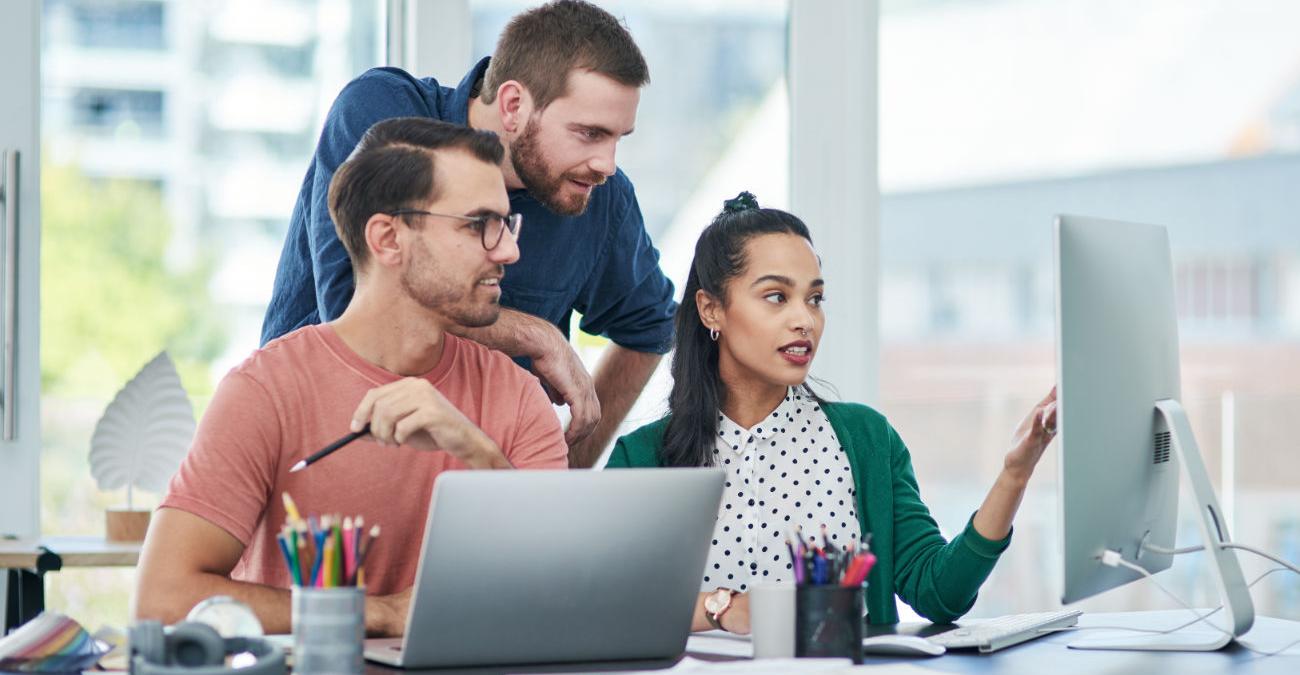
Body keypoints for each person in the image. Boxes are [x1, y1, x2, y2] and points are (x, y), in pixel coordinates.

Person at [132, 119, 569, 637]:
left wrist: (476, 451)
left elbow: (557, 595)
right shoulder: (265, 390)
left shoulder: (517, 397)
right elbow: (163, 599)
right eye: (478, 225)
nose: (508, 251)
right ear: (388, 238)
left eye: (505, 224)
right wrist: (381, 613)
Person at [605, 193, 1058, 634]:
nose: (805, 319)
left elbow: (940, 594)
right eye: (777, 297)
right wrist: (721, 609)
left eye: (815, 298)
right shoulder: (643, 456)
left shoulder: (865, 438)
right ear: (711, 309)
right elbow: (611, 604)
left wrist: (1014, 474)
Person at [262, 0, 676, 467]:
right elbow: (357, 303)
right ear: (514, 104)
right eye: (589, 133)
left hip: (485, 490)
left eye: (620, 137)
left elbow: (650, 327)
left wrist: (563, 471)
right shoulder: (383, 114)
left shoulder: (601, 196)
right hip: (322, 456)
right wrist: (533, 335)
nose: (608, 163)